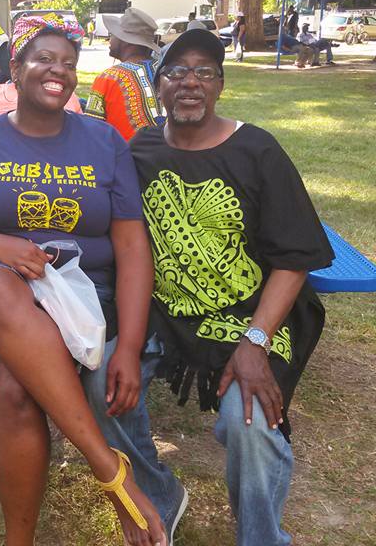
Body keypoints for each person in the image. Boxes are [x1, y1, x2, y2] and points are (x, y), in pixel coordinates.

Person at [0, 12, 168, 546]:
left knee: (17, 390)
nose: (59, 71)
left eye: (69, 63)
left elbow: (131, 246)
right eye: (44, 58)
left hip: (81, 291)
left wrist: (126, 347)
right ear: (16, 66)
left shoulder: (104, 142)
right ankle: (110, 472)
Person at [107, 28, 333, 546]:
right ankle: (160, 494)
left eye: (205, 72)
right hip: (167, 312)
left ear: (221, 86)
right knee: (102, 385)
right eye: (177, 72)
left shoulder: (257, 150)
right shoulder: (139, 149)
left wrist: (254, 343)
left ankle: (261, 537)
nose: (191, 83)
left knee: (249, 426)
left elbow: (294, 259)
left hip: (254, 316)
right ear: (157, 85)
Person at [85, 7, 164, 142]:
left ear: (126, 40)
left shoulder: (108, 78)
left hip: (123, 160)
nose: (109, 39)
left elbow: (90, 133)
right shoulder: (165, 71)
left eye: (113, 35)